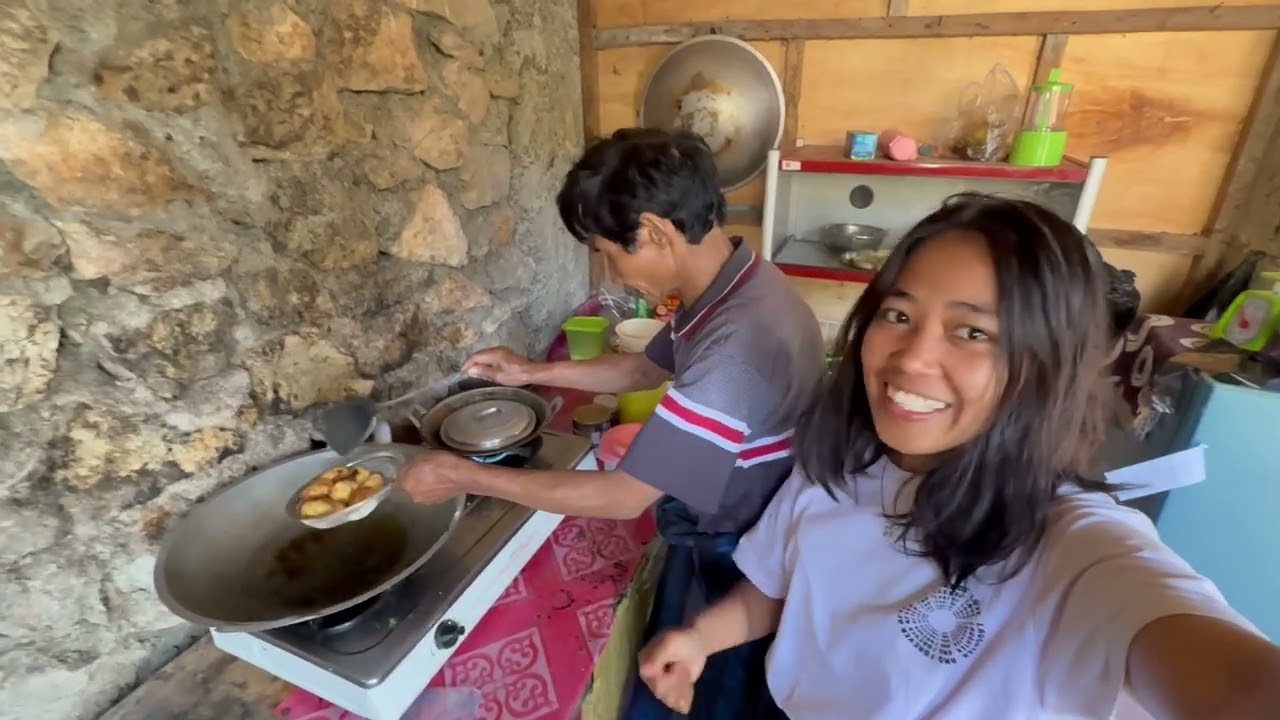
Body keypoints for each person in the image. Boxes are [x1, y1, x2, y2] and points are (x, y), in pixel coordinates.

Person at [637, 194, 1280, 719]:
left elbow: (1232, 683)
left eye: (973, 332)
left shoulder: (1072, 545)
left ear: (1044, 367)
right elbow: (783, 587)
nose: (912, 359)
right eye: (898, 315)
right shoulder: (837, 468)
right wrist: (699, 638)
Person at [401, 128, 826, 719]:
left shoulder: (738, 339)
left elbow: (625, 497)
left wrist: (465, 476)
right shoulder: (737, 280)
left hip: (746, 552)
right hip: (738, 523)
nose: (612, 273)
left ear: (654, 231)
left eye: (608, 252)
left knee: (713, 696)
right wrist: (529, 372)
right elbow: (644, 368)